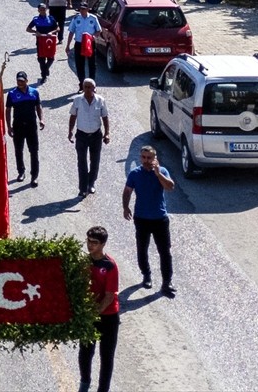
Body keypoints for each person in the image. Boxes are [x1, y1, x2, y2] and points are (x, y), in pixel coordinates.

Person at [123, 146, 177, 297]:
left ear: (155, 158)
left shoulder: (162, 171)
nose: (146, 161)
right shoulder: (135, 173)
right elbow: (127, 191)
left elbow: (170, 187)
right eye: (144, 157)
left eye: (149, 158)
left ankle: (167, 282)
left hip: (160, 218)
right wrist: (125, 207)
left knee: (165, 252)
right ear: (140, 158)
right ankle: (146, 275)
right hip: (141, 218)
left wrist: (158, 174)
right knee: (142, 248)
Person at [78, 226, 120, 392]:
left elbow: (109, 296)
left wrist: (93, 314)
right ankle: (85, 383)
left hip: (108, 316)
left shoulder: (110, 266)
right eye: (88, 241)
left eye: (94, 242)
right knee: (85, 353)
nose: (90, 245)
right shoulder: (85, 262)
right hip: (90, 315)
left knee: (106, 356)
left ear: (102, 244)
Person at [67, 79, 110, 197]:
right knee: (82, 162)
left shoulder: (100, 100)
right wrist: (70, 131)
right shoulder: (77, 100)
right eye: (85, 87)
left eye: (90, 87)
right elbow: (73, 116)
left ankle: (91, 183)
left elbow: (105, 117)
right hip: (81, 135)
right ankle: (82, 188)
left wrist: (107, 133)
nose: (87, 89)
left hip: (96, 135)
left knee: (95, 161)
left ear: (94, 88)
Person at [5, 71, 44, 185]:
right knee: (18, 150)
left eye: (22, 80)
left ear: (27, 81)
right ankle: (21, 172)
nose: (20, 82)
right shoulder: (12, 94)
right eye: (18, 80)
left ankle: (34, 176)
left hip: (31, 126)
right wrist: (9, 126)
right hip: (18, 126)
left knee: (34, 151)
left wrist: (41, 119)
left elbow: (38, 106)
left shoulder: (34, 92)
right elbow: (8, 110)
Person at [66, 2, 102, 89]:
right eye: (81, 9)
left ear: (88, 9)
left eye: (84, 9)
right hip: (79, 43)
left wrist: (93, 36)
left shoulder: (93, 18)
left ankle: (92, 85)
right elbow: (71, 32)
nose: (82, 10)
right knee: (79, 65)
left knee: (92, 64)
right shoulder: (76, 18)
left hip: (89, 43)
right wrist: (67, 45)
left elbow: (99, 30)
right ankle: (82, 85)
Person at [26, 3, 59, 81]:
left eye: (44, 9)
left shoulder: (51, 19)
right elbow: (28, 29)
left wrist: (52, 32)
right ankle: (43, 76)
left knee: (51, 58)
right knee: (41, 59)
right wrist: (35, 31)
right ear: (38, 10)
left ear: (46, 9)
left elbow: (58, 28)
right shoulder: (36, 19)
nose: (42, 11)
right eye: (41, 9)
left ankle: (45, 69)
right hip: (40, 42)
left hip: (50, 41)